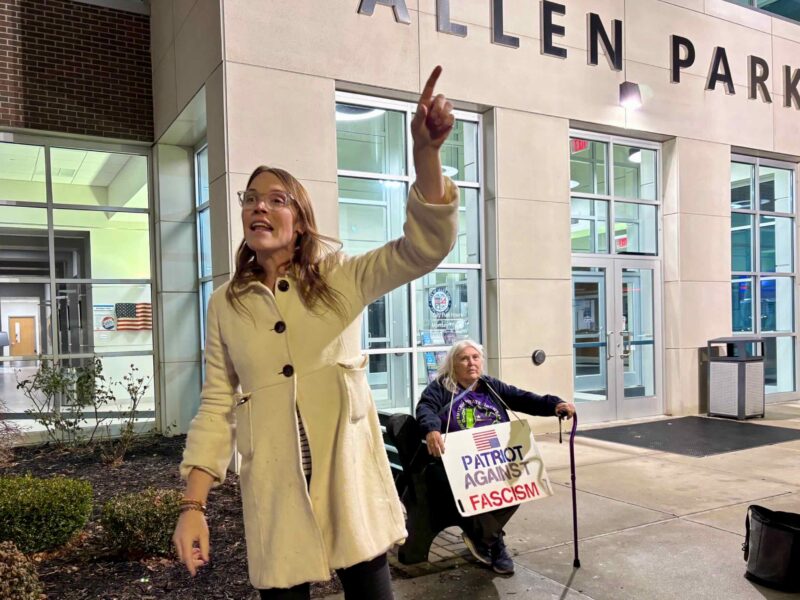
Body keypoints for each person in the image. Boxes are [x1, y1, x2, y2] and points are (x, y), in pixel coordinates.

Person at [172, 66, 459, 600]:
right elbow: (216, 405)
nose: (259, 204)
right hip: (275, 496)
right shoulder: (226, 305)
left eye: (276, 198)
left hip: (350, 492)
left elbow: (424, 248)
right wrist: (194, 507)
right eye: (251, 197)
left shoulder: (341, 277)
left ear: (300, 220)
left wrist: (425, 155)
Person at [415, 339, 576, 575]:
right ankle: (494, 541)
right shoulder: (441, 387)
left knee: (521, 482)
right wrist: (432, 428)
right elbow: (425, 408)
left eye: (475, 357)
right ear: (453, 364)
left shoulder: (490, 386)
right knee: (477, 490)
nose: (471, 362)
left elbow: (523, 398)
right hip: (454, 464)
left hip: (494, 458)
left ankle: (485, 539)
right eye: (464, 358)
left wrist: (554, 405)